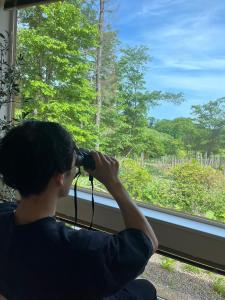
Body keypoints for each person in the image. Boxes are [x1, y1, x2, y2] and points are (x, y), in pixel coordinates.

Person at [0, 120, 158, 300]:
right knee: (145, 289)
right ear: (60, 177)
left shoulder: (4, 217)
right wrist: (114, 183)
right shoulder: (83, 249)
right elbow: (147, 243)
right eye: (74, 165)